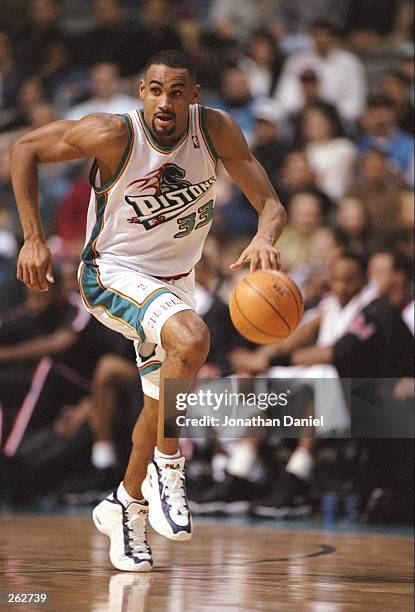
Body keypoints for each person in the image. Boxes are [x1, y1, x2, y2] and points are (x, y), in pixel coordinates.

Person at [10, 49, 286, 571]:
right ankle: (168, 465)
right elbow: (24, 148)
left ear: (193, 96)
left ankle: (125, 506)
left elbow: (271, 204)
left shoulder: (216, 130)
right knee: (193, 338)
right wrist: (32, 238)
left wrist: (266, 238)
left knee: (161, 403)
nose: (165, 100)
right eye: (156, 90)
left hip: (175, 281)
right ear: (142, 91)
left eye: (177, 91)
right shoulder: (113, 133)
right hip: (111, 272)